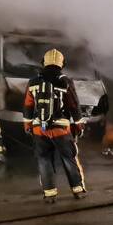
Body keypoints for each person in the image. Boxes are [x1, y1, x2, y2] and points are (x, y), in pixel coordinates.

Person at [23, 49, 87, 203]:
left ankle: (50, 194)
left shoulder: (33, 82)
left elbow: (27, 106)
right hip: (61, 129)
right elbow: (74, 105)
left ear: (43, 63)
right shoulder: (65, 81)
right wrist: (78, 124)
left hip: (39, 129)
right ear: (62, 64)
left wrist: (28, 124)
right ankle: (78, 190)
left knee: (44, 160)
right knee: (69, 158)